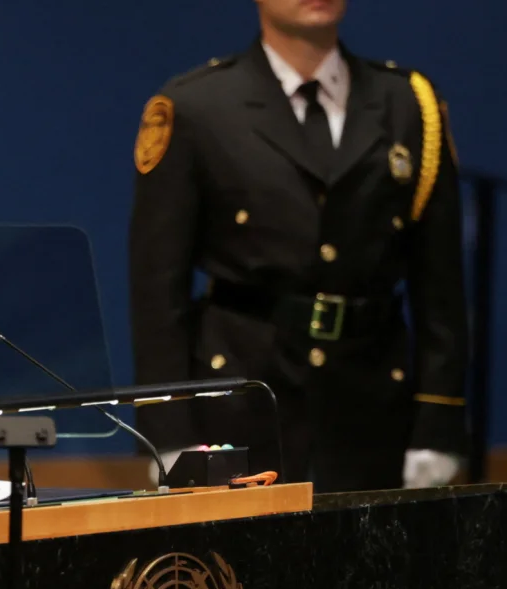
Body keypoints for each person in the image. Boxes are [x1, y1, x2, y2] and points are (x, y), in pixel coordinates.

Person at [128, 0, 467, 492]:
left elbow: (441, 286)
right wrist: (166, 433)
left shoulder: (407, 104)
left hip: (370, 401)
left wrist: (439, 423)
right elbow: (158, 292)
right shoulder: (199, 106)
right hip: (240, 398)